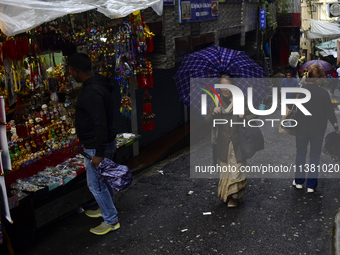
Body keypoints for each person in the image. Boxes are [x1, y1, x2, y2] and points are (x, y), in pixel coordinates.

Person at [68, 53, 120, 235]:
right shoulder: (98, 84)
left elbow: (100, 123)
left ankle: (111, 220)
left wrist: (98, 152)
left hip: (97, 146)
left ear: (76, 71)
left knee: (95, 184)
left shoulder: (91, 92)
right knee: (103, 179)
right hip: (102, 142)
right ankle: (106, 207)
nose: (70, 75)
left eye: (70, 71)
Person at [205, 76, 256, 207]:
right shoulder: (216, 101)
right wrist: (214, 114)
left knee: (237, 169)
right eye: (222, 86)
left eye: (228, 86)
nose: (225, 89)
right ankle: (227, 195)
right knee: (225, 170)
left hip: (238, 141)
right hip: (222, 143)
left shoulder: (241, 100)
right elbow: (206, 121)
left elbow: (255, 115)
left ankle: (234, 197)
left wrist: (244, 115)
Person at [293, 64, 340, 192]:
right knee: (314, 156)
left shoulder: (300, 90)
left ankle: (298, 182)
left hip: (301, 128)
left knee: (301, 154)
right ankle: (311, 186)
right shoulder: (323, 93)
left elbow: (291, 105)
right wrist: (336, 126)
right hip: (318, 130)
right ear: (318, 79)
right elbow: (330, 112)